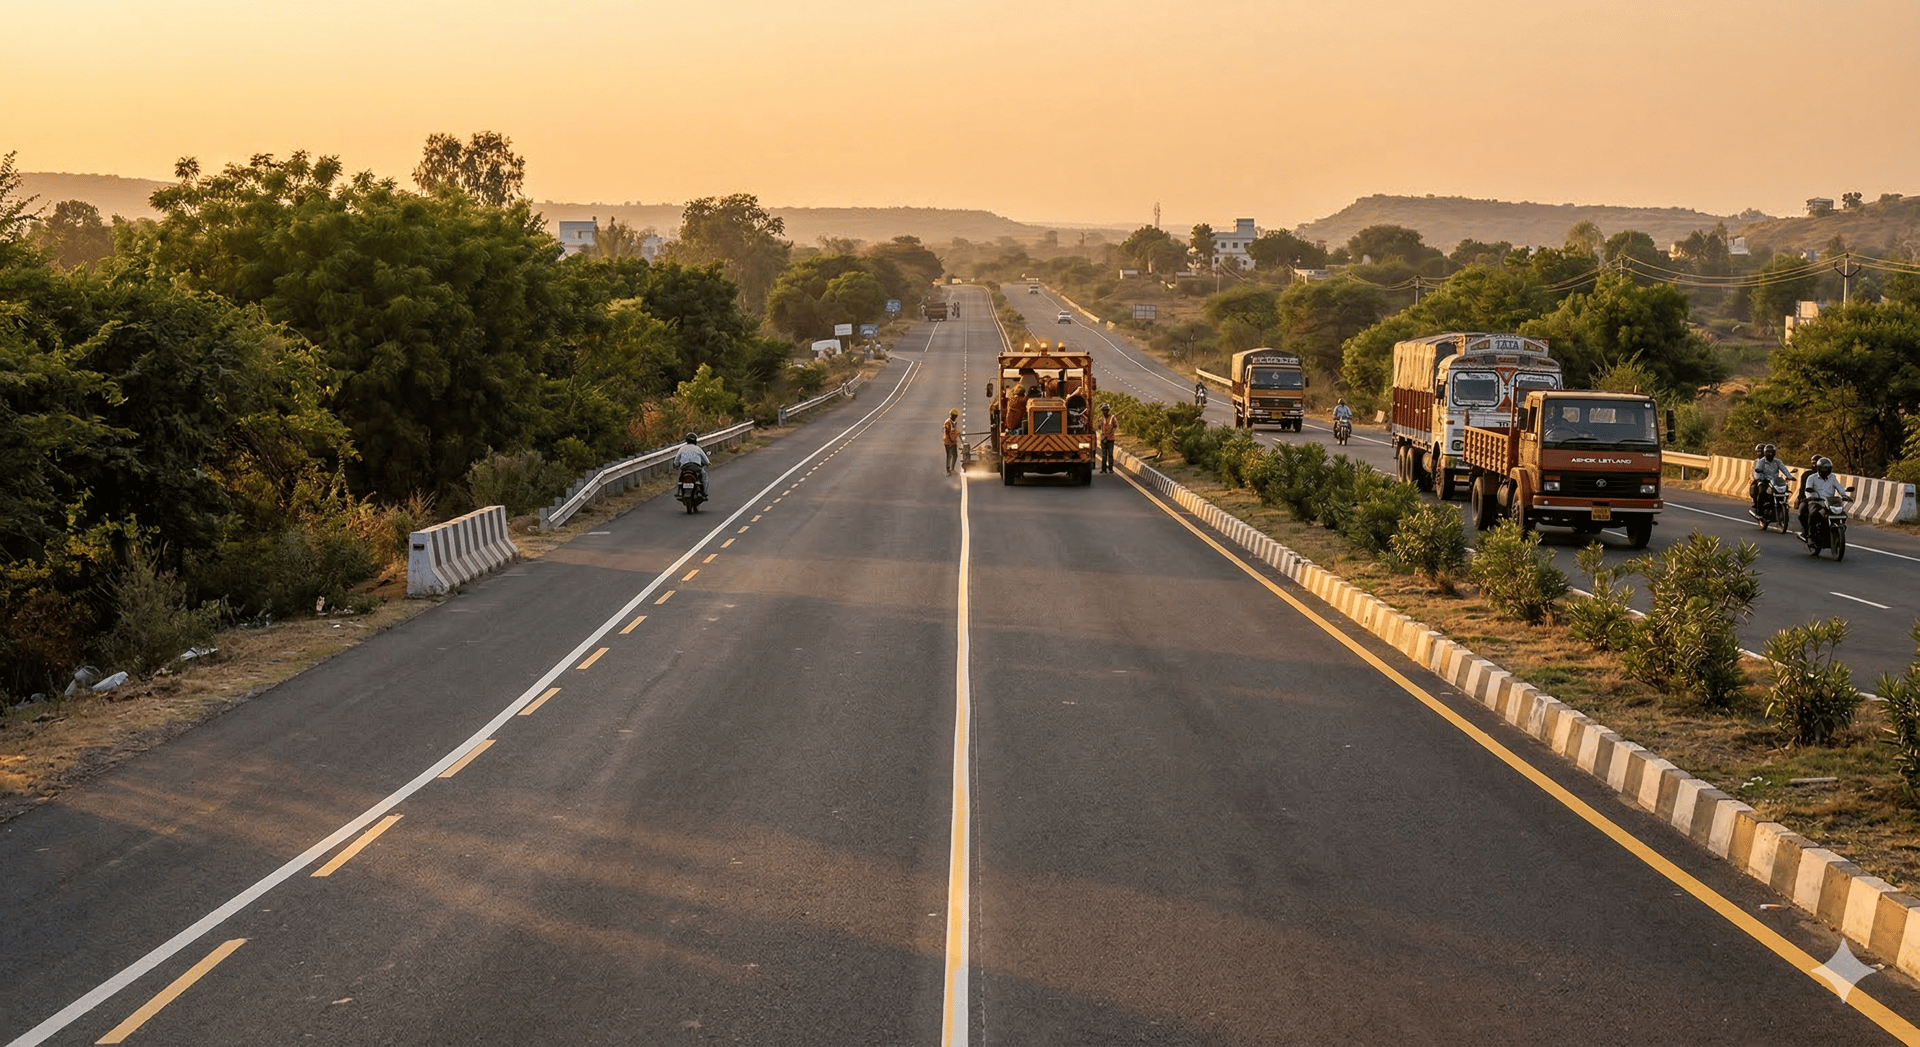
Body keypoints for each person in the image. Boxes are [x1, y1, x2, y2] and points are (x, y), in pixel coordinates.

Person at [1797, 456, 1847, 537]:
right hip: (1816, 501)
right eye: (1824, 468)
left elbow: (1839, 487)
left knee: (1842, 514)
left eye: (1828, 468)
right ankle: (1810, 534)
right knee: (1813, 514)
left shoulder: (1833, 477)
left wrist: (1844, 495)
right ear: (1819, 468)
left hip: (1829, 502)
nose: (1826, 470)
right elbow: (1807, 489)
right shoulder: (1811, 477)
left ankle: (1838, 530)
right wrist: (1811, 496)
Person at [1751, 444, 1789, 516]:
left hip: (1773, 481)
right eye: (1759, 452)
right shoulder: (1758, 462)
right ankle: (1759, 510)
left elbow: (1782, 469)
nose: (1760, 453)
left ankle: (1782, 504)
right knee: (1761, 491)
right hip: (1763, 480)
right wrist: (1760, 478)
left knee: (1784, 489)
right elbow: (1754, 472)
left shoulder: (1775, 461)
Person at [674, 431, 711, 497]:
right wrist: (708, 463)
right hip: (696, 467)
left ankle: (679, 491)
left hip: (685, 467)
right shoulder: (698, 448)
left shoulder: (682, 448)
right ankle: (704, 492)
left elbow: (676, 460)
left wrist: (676, 465)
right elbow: (705, 459)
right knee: (704, 476)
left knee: (681, 477)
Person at [1098, 402, 1117, 474]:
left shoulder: (1112, 418)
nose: (1105, 412)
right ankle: (1103, 469)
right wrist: (1102, 435)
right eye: (1103, 410)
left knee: (1110, 455)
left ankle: (1111, 469)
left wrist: (1110, 433)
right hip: (1103, 439)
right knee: (1103, 455)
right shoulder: (1101, 419)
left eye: (1106, 410)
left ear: (1108, 410)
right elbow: (1099, 428)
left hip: (1110, 439)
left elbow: (1115, 426)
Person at [943, 408, 960, 475]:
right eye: (954, 416)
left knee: (955, 455)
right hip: (948, 442)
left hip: (953, 441)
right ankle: (948, 471)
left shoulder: (954, 422)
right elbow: (947, 433)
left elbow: (954, 430)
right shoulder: (948, 422)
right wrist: (950, 441)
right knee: (949, 456)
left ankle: (952, 469)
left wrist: (958, 434)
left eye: (956, 416)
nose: (955, 417)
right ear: (951, 415)